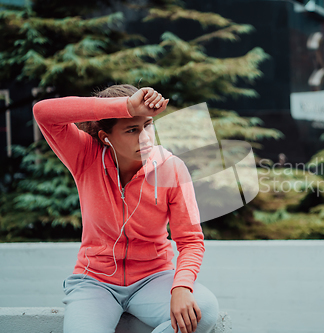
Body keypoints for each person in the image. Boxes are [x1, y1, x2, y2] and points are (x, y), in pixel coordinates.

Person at [33, 84, 219, 333]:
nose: (144, 138)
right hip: (95, 282)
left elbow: (191, 241)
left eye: (148, 125)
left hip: (154, 278)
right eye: (132, 129)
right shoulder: (85, 156)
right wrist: (126, 106)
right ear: (105, 137)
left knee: (203, 311)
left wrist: (181, 287)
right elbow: (43, 112)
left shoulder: (171, 168)